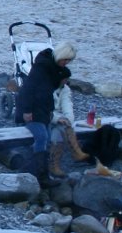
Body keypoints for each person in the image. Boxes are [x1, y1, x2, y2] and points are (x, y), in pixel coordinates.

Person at [14, 41, 78, 183]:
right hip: (31, 110)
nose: (66, 63)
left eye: (69, 60)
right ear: (60, 55)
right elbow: (28, 88)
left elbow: (50, 92)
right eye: (66, 59)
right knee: (42, 137)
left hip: (43, 110)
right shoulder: (42, 67)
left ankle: (31, 170)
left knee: (47, 138)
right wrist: (27, 111)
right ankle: (41, 176)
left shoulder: (55, 69)